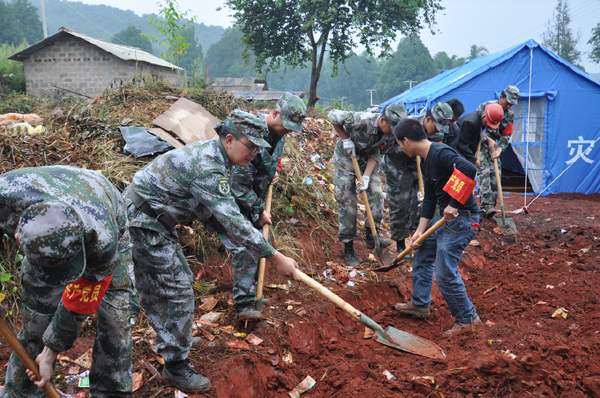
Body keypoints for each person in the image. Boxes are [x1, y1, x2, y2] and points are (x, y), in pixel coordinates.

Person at [124, 110, 300, 392]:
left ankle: (172, 340)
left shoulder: (219, 158)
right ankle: (175, 365)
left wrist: (246, 233)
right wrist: (275, 256)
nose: (254, 153)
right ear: (229, 139)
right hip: (143, 224)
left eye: (258, 148)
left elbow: (212, 214)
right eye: (250, 146)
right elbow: (229, 218)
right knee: (177, 290)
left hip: (152, 222)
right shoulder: (208, 165)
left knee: (165, 288)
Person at [0, 166, 134, 398]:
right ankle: (20, 395)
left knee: (116, 319)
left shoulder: (101, 239)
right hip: (46, 201)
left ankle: (111, 393)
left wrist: (50, 353)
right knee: (36, 324)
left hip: (102, 205)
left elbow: (80, 300)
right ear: (18, 238)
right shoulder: (4, 199)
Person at [220, 93, 306, 322]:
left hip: (254, 195)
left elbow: (271, 159)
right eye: (286, 125)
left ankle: (254, 291)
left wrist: (273, 171)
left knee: (260, 241)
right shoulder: (250, 133)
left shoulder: (279, 133)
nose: (288, 131)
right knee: (246, 245)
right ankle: (244, 304)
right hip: (233, 199)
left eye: (291, 128)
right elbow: (237, 185)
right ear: (274, 113)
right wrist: (258, 210)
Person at [393, 118, 482, 336]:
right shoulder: (425, 161)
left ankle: (468, 318)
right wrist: (420, 231)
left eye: (399, 144)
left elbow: (469, 168)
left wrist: (453, 204)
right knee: (422, 249)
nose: (400, 148)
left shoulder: (440, 152)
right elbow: (431, 198)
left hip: (462, 219)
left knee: (444, 272)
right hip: (445, 218)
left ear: (406, 141)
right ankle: (420, 304)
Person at [329, 104, 405, 266]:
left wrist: (366, 177)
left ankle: (372, 235)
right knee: (347, 200)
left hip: (366, 160)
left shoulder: (393, 133)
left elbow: (379, 153)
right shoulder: (361, 120)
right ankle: (348, 246)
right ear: (383, 120)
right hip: (346, 158)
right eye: (391, 129)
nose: (393, 133)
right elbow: (332, 115)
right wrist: (345, 138)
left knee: (377, 194)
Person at [380, 102, 454, 255]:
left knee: (430, 201)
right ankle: (401, 243)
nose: (437, 131)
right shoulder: (406, 126)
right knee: (400, 205)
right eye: (436, 126)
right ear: (428, 120)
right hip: (398, 166)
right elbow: (384, 148)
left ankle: (425, 239)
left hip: (421, 166)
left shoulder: (438, 134)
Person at [476, 85, 520, 218]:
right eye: (508, 102)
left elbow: (506, 135)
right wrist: (488, 140)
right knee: (484, 172)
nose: (509, 106)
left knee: (496, 176)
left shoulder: (510, 114)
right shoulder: (485, 107)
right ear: (501, 98)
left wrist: (499, 150)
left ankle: (491, 210)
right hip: (481, 146)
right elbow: (476, 129)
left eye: (512, 104)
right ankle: (486, 207)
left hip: (495, 148)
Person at [456, 103, 504, 168]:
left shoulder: (481, 122)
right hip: (458, 154)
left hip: (467, 154)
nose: (487, 124)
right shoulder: (470, 122)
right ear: (484, 114)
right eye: (487, 122)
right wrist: (474, 160)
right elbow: (462, 144)